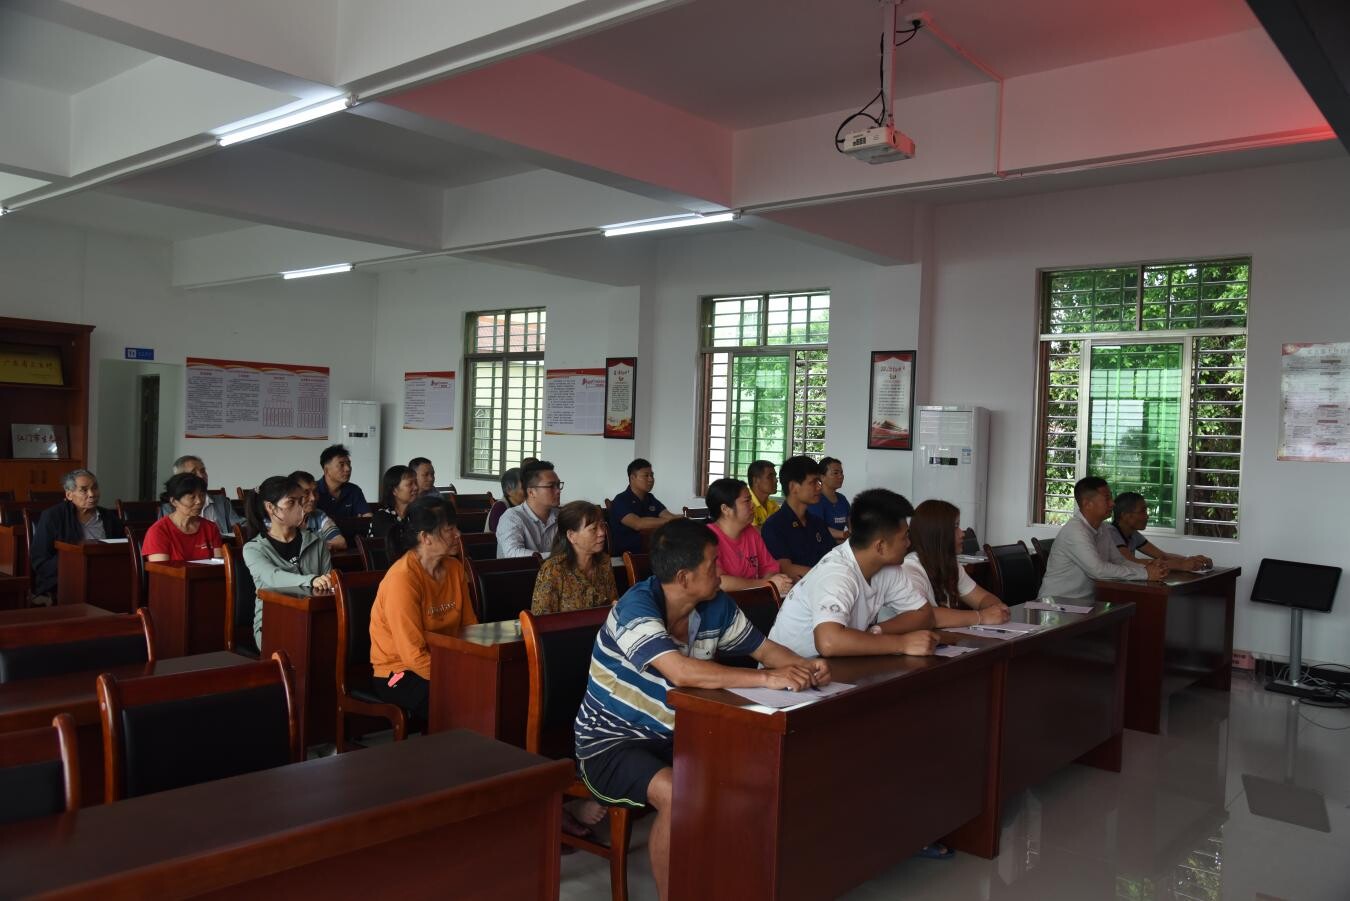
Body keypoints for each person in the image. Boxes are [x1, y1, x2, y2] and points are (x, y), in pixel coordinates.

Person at [573, 519, 831, 900]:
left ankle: (741, 883)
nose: (720, 571)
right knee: (677, 793)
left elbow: (763, 649)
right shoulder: (635, 609)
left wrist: (804, 666)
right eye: (712, 565)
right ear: (684, 577)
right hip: (611, 741)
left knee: (757, 769)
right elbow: (680, 671)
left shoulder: (714, 604)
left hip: (678, 732)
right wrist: (767, 678)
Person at [768, 488, 938, 659]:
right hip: (787, 669)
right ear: (880, 546)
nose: (908, 543)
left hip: (835, 664)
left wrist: (877, 630)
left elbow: (924, 615)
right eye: (904, 537)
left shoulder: (887, 566)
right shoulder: (837, 573)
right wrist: (902, 643)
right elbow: (828, 642)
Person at [368, 495, 475, 722]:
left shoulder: (455, 568)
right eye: (449, 529)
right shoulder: (402, 579)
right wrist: (459, 677)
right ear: (425, 537)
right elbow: (412, 656)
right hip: (396, 673)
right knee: (454, 699)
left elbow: (469, 628)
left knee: (489, 686)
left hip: (443, 662)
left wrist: (475, 668)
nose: (458, 534)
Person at [243, 475, 336, 649]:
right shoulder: (253, 549)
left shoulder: (316, 542)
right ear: (271, 508)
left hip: (313, 619)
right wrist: (311, 580)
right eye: (291, 502)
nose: (300, 508)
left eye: (300, 501)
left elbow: (329, 584)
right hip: (273, 622)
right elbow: (273, 577)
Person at [1038, 477, 1168, 598]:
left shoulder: (1102, 527)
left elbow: (1119, 561)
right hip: (1056, 604)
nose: (1112, 504)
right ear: (1087, 504)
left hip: (1084, 603)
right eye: (1107, 499)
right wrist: (1145, 574)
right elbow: (1098, 571)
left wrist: (1148, 569)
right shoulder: (1075, 531)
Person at [902, 500, 1010, 628]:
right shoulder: (909, 568)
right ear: (937, 533)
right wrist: (981, 617)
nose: (962, 533)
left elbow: (982, 598)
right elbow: (924, 616)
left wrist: (995, 608)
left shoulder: (949, 565)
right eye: (955, 527)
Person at [28, 469, 125, 604]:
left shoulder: (109, 518)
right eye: (84, 490)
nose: (92, 494)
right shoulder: (53, 517)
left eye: (95, 488)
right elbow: (40, 561)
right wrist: (73, 563)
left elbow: (122, 550)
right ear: (69, 495)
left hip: (104, 578)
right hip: (64, 581)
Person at [704, 477, 793, 597]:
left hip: (755, 599)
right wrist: (767, 584)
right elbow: (720, 582)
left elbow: (770, 568)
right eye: (747, 501)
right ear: (725, 509)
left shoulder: (751, 532)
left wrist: (776, 582)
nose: (753, 505)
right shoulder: (708, 538)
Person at [531, 501, 618, 615]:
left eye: (602, 525)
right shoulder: (553, 570)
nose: (602, 533)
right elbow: (541, 619)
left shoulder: (604, 562)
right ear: (571, 536)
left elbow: (613, 604)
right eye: (593, 529)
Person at [760, 455, 833, 578]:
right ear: (793, 487)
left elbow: (832, 556)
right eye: (813, 482)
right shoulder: (774, 526)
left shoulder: (817, 522)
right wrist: (828, 575)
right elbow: (785, 569)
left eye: (819, 482)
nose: (819, 487)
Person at [1105, 492, 1213, 571]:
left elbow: (1162, 556)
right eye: (1142, 511)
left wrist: (1192, 560)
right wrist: (1181, 565)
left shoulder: (1133, 534)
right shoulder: (1111, 533)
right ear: (1125, 516)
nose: (1147, 516)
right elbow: (1131, 562)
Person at [142, 473, 224, 563]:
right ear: (174, 501)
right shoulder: (159, 531)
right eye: (192, 497)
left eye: (202, 495)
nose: (199, 501)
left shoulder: (210, 528)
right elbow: (161, 569)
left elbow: (219, 565)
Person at [608, 459, 677, 556]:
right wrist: (672, 521)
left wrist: (682, 519)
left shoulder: (650, 498)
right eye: (646, 475)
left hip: (651, 551)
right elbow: (638, 524)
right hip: (627, 555)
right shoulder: (621, 500)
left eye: (652, 475)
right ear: (632, 478)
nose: (651, 479)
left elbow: (668, 516)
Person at [496, 460, 561, 557]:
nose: (558, 491)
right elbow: (513, 553)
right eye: (551, 486)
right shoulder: (511, 517)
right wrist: (559, 557)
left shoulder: (560, 516)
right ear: (531, 492)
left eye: (558, 485)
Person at [167, 455, 244, 530]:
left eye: (203, 471)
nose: (201, 476)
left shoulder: (221, 501)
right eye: (194, 473)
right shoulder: (168, 508)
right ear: (180, 479)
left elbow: (239, 524)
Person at [289, 470, 346, 550]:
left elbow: (341, 542)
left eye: (315, 491)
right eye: (306, 493)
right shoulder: (282, 519)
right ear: (292, 495)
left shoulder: (319, 516)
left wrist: (314, 548)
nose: (313, 498)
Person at [313, 444, 370, 519]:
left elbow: (367, 517)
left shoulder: (354, 490)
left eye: (349, 464)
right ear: (326, 470)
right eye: (341, 465)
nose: (348, 469)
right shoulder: (313, 491)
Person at [370, 465, 420, 541]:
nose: (416, 487)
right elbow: (397, 543)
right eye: (410, 484)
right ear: (394, 490)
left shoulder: (417, 513)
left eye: (416, 482)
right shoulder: (381, 517)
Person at [810, 456, 850, 543]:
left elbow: (851, 523)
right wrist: (844, 535)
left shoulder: (842, 499)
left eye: (841, 473)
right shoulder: (816, 499)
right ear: (822, 477)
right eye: (835, 473)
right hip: (822, 546)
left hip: (840, 545)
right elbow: (818, 528)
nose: (841, 476)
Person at [487, 467, 525, 533]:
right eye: (524, 487)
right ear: (509, 489)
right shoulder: (499, 507)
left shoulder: (524, 506)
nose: (530, 491)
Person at [746, 459, 779, 527]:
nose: (776, 480)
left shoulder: (774, 506)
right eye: (770, 476)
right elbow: (753, 532)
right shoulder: (746, 506)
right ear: (755, 480)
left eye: (775, 476)